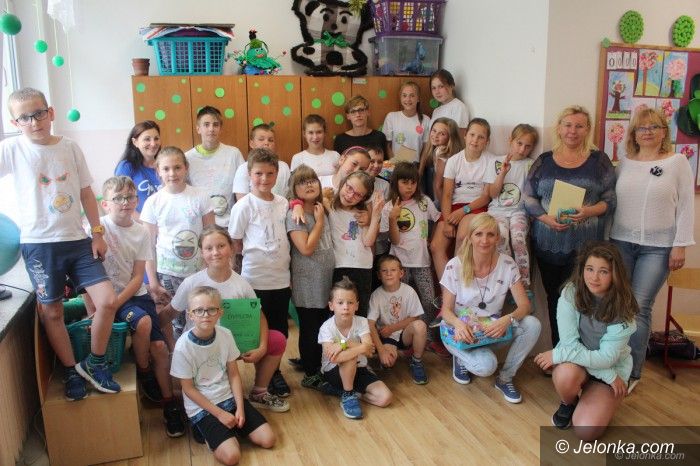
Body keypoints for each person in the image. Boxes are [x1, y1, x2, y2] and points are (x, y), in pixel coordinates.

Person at [0, 87, 120, 399]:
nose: (34, 121)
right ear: (15, 123)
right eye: (25, 117)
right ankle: (70, 371)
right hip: (38, 244)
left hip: (78, 240)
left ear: (50, 112)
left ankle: (94, 362)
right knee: (51, 312)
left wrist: (97, 233)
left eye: (39, 113)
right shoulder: (12, 149)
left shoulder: (70, 147)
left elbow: (86, 193)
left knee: (107, 300)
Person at [609, 108, 695, 391]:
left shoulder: (677, 162)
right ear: (633, 134)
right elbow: (612, 203)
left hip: (658, 248)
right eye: (641, 128)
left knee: (639, 307)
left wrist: (680, 245)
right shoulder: (623, 163)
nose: (647, 132)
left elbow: (686, 206)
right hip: (621, 243)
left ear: (663, 132)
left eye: (653, 127)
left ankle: (633, 372)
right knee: (619, 305)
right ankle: (613, 363)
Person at [162, 226, 289, 412]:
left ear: (231, 248)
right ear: (202, 252)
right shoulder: (192, 283)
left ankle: (259, 392)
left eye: (221, 246)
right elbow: (168, 314)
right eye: (209, 248)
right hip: (201, 349)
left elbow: (259, 316)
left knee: (276, 339)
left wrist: (262, 347)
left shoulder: (242, 284)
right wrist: (160, 342)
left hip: (233, 345)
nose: (215, 252)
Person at [97, 176, 184, 436]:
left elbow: (138, 277)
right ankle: (145, 372)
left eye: (130, 197)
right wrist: (104, 305)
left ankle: (169, 404)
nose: (125, 202)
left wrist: (115, 304)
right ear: (105, 204)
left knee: (160, 347)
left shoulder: (141, 231)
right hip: (110, 297)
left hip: (134, 295)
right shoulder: (97, 228)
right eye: (118, 198)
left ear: (137, 200)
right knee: (144, 322)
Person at [524, 105, 616, 348]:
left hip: (586, 249)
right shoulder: (544, 161)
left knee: (584, 301)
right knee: (556, 300)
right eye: (567, 125)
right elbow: (528, 197)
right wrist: (545, 218)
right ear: (559, 128)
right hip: (547, 245)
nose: (572, 131)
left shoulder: (599, 161)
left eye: (579, 126)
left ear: (587, 130)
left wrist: (588, 211)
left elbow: (610, 201)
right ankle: (561, 352)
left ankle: (585, 355)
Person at [534, 242, 637, 440]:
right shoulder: (570, 292)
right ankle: (569, 402)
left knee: (586, 431)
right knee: (565, 374)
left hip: (611, 367)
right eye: (590, 269)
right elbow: (569, 344)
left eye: (603, 271)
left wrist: (557, 354)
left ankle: (595, 395)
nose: (594, 277)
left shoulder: (624, 310)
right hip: (593, 368)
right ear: (582, 269)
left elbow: (606, 359)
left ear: (615, 275)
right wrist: (607, 376)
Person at [440, 213, 540, 403]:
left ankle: (505, 379)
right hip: (459, 331)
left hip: (490, 330)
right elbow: (446, 311)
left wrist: (508, 319)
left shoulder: (508, 264)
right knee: (487, 366)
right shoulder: (454, 266)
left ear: (497, 238)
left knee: (532, 324)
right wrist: (459, 325)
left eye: (490, 234)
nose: (484, 240)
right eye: (478, 234)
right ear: (470, 237)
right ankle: (461, 357)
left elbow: (525, 306)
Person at [170, 286, 275, 465]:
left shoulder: (225, 334)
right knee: (232, 457)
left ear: (220, 312)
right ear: (190, 315)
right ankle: (204, 431)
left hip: (228, 397)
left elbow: (233, 374)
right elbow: (188, 389)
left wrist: (240, 407)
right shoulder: (183, 347)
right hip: (202, 407)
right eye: (199, 310)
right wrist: (220, 415)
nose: (205, 315)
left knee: (268, 440)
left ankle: (230, 429)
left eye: (211, 309)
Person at [228, 148, 292, 398]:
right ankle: (264, 378)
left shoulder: (283, 203)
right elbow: (235, 242)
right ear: (249, 174)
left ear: (277, 174)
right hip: (254, 280)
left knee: (280, 331)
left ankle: (274, 371)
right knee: (258, 334)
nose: (264, 179)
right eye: (258, 174)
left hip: (281, 280)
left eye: (270, 173)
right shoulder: (244, 205)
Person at [140, 146, 215, 338]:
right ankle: (175, 354)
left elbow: (210, 237)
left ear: (186, 168)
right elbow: (147, 247)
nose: (172, 173)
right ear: (158, 171)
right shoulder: (153, 202)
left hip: (197, 272)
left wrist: (211, 270)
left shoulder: (200, 196)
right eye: (166, 169)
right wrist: (153, 282)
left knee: (199, 319)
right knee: (174, 324)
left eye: (177, 167)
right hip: (167, 274)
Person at [285, 165, 335, 391]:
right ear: (294, 189)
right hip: (308, 280)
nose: (309, 185)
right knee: (310, 327)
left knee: (324, 324)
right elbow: (305, 248)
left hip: (327, 277)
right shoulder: (295, 215)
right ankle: (310, 372)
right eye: (302, 182)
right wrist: (320, 222)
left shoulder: (321, 207)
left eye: (312, 180)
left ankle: (318, 364)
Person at [319, 276, 392, 419]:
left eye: (350, 302)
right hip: (334, 372)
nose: (345, 307)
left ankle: (349, 393)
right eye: (340, 302)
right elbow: (335, 358)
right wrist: (361, 348)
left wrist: (344, 344)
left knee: (385, 398)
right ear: (331, 305)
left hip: (360, 369)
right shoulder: (326, 328)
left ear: (356, 306)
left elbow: (369, 351)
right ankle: (347, 395)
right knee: (350, 357)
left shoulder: (362, 322)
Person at [381, 162, 441, 335]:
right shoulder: (389, 207)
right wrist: (392, 218)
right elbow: (394, 240)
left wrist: (433, 239)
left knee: (429, 300)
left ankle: (428, 334)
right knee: (399, 301)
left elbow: (438, 219)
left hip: (421, 261)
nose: (409, 187)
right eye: (404, 182)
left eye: (413, 182)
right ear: (395, 183)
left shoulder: (424, 201)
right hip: (399, 263)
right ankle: (401, 335)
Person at [430, 118, 494, 280]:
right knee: (436, 246)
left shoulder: (490, 161)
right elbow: (447, 194)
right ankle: (447, 288)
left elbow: (486, 197)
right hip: (453, 206)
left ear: (487, 141)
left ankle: (461, 285)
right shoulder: (454, 160)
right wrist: (447, 221)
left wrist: (463, 211)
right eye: (472, 135)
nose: (475, 140)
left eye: (481, 137)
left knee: (462, 237)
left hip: (475, 206)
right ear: (465, 135)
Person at [484, 124, 539, 293]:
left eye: (528, 146)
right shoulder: (495, 162)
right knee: (501, 238)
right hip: (497, 211)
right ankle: (508, 283)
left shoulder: (531, 164)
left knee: (518, 239)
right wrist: (503, 172)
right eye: (519, 143)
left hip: (519, 212)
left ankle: (524, 285)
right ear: (511, 140)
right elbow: (492, 194)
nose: (522, 150)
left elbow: (533, 193)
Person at [328, 171, 384, 317]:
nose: (350, 195)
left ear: (364, 198)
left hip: (363, 266)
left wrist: (375, 216)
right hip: (340, 265)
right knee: (340, 312)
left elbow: (368, 241)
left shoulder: (362, 213)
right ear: (343, 182)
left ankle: (361, 334)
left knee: (360, 311)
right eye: (349, 188)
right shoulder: (329, 204)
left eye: (358, 194)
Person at [368, 255, 429, 384]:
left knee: (420, 325)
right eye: (384, 271)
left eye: (393, 270)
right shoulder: (376, 295)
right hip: (386, 336)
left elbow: (415, 317)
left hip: (403, 335)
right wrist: (382, 351)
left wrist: (392, 328)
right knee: (388, 362)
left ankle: (416, 361)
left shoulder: (409, 292)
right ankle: (390, 354)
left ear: (401, 273)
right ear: (379, 275)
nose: (389, 274)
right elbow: (370, 324)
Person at [185, 106, 245, 228]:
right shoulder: (187, 158)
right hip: (200, 226)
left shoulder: (234, 154)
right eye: (206, 125)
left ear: (220, 128)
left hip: (228, 224)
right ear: (198, 128)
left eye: (215, 125)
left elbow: (243, 190)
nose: (211, 129)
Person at [114, 120, 161, 219]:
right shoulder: (126, 167)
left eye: (156, 138)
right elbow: (120, 202)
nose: (153, 144)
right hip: (138, 224)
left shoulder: (165, 166)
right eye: (147, 139)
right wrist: (145, 223)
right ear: (135, 142)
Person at [232, 124, 291, 200]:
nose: (266, 143)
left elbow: (289, 195)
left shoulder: (284, 167)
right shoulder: (243, 168)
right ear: (251, 144)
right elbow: (241, 201)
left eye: (270, 140)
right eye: (261, 139)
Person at [417, 117, 464, 207]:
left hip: (448, 199)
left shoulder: (441, 152)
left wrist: (444, 209)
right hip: (455, 197)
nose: (435, 135)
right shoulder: (454, 151)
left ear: (450, 137)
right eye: (434, 131)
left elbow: (438, 186)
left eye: (442, 134)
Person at [382, 81, 430, 163]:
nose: (408, 99)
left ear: (418, 98)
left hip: (415, 165)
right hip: (396, 165)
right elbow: (387, 145)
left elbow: (426, 148)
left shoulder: (426, 120)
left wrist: (420, 169)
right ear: (400, 98)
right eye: (404, 95)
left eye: (412, 95)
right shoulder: (391, 117)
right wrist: (394, 165)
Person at [429, 69, 470, 138]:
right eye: (434, 88)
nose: (437, 92)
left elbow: (459, 139)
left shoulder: (459, 107)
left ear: (452, 86)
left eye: (441, 86)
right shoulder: (436, 110)